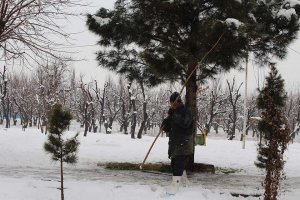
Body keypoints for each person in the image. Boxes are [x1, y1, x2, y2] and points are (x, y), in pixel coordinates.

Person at [161, 92, 194, 195]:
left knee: (178, 163)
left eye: (173, 103)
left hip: (184, 142)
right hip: (174, 142)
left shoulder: (186, 112)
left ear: (179, 102)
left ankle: (175, 185)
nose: (172, 105)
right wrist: (166, 121)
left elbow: (185, 123)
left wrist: (174, 115)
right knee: (174, 163)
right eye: (171, 103)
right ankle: (184, 181)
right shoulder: (173, 113)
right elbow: (166, 128)